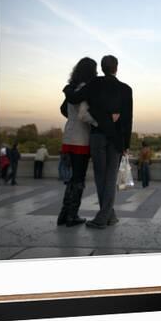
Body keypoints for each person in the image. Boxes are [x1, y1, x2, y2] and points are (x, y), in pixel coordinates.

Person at [64, 55, 133, 229]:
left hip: (97, 136)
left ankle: (104, 217)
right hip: (117, 139)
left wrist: (66, 88)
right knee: (110, 179)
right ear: (116, 67)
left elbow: (74, 98)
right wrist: (126, 145)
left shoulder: (94, 84)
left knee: (100, 178)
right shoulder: (126, 89)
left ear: (102, 68)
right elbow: (127, 119)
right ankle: (108, 215)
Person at [57, 57, 99, 227]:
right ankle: (72, 216)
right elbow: (84, 114)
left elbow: (64, 110)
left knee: (73, 179)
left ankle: (64, 214)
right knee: (79, 179)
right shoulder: (84, 89)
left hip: (68, 137)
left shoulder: (72, 89)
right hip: (81, 140)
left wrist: (72, 121)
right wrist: (98, 123)